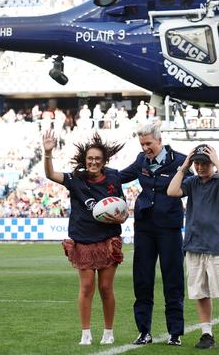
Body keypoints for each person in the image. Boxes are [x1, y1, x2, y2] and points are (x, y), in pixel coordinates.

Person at [42, 129, 128, 346]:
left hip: (108, 239)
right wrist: (48, 153)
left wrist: (120, 217)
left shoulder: (114, 177)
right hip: (83, 240)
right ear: (85, 160)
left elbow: (123, 210)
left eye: (97, 159)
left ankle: (108, 332)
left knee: (106, 288)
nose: (93, 162)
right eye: (90, 158)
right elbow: (51, 175)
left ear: (104, 160)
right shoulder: (75, 178)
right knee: (87, 287)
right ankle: (86, 333)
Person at [120, 120, 189, 346]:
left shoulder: (180, 161)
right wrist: (94, 174)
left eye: (149, 143)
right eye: (142, 144)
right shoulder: (141, 160)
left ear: (160, 140)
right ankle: (143, 331)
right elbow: (120, 176)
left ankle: (175, 333)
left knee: (173, 279)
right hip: (144, 227)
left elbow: (196, 183)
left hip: (169, 228)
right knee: (142, 279)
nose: (145, 148)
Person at [167, 143, 219, 350]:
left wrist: (216, 161)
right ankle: (206, 334)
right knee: (200, 293)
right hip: (194, 245)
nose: (200, 167)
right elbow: (172, 191)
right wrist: (184, 165)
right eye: (197, 163)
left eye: (204, 163)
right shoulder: (192, 182)